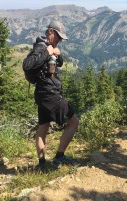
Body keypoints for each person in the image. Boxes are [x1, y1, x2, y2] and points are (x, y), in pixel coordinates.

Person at [25, 20, 79, 170]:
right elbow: (27, 64)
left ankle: (42, 164)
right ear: (50, 32)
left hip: (42, 95)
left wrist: (57, 55)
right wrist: (48, 52)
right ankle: (59, 157)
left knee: (43, 127)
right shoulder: (41, 48)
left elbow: (57, 64)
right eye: (58, 37)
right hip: (50, 94)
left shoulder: (49, 46)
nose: (60, 40)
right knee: (74, 122)